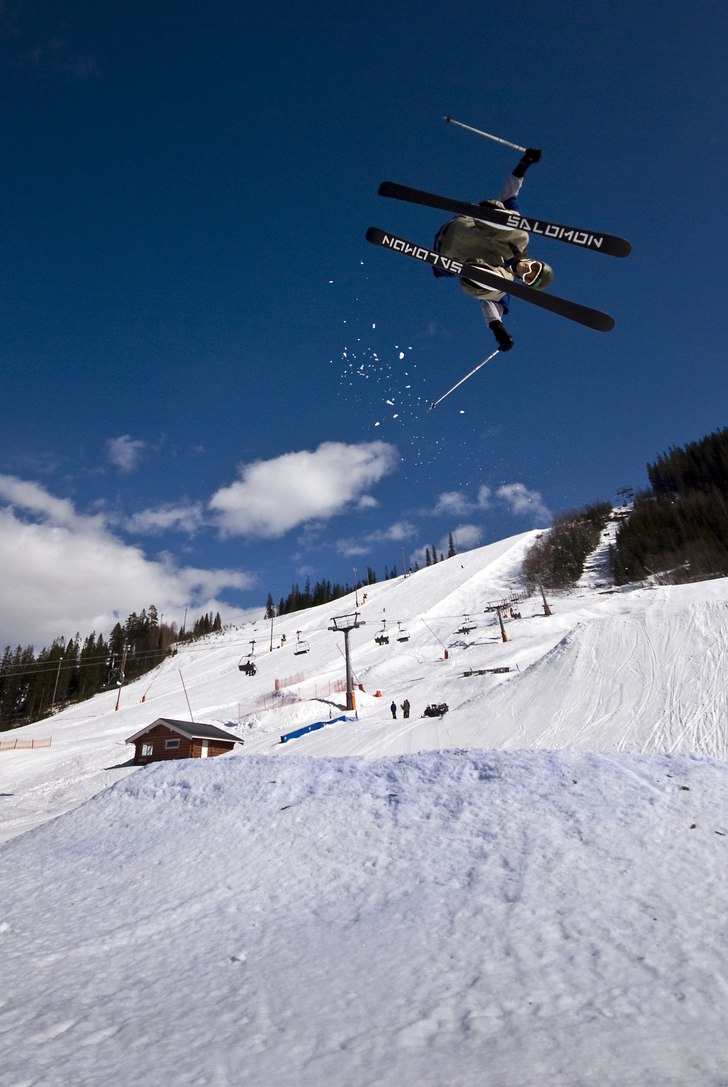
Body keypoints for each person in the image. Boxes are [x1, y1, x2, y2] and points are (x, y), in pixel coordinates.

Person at [434, 148, 553, 352]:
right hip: (466, 226)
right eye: (533, 268)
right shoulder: (518, 242)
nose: (527, 272)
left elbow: (491, 307)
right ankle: (491, 216)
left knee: (503, 285)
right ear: (533, 260)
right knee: (522, 233)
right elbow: (510, 193)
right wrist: (525, 163)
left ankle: (480, 275)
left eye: (530, 278)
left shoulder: (508, 280)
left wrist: (498, 329)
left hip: (448, 255)